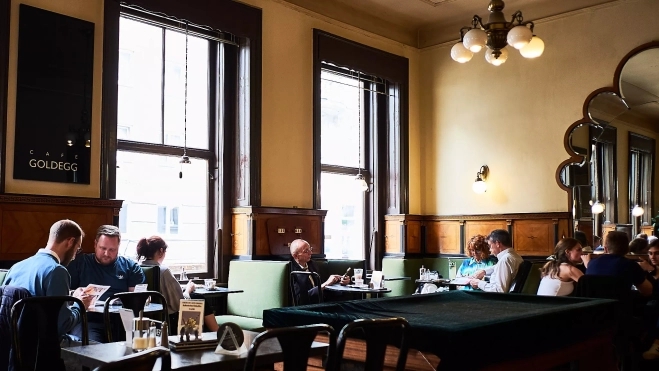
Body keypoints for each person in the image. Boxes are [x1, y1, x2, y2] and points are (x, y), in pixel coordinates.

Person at [2, 220, 93, 336]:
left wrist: (69, 296)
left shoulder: (16, 267)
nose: (74, 256)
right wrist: (79, 304)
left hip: (11, 345)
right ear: (70, 242)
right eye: (77, 249)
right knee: (94, 347)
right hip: (41, 347)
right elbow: (62, 325)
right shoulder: (57, 271)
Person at [66, 225, 145, 342]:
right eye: (102, 248)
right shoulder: (80, 263)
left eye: (112, 250)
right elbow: (66, 294)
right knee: (91, 346)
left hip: (121, 322)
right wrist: (75, 294)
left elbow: (137, 298)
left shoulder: (130, 267)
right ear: (95, 244)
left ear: (118, 247)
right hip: (89, 321)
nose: (107, 253)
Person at [136, 236, 218, 332]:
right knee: (200, 299)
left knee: (196, 297)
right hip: (170, 320)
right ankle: (217, 333)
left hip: (153, 317)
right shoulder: (163, 271)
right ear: (161, 251)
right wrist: (188, 290)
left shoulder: (139, 269)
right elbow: (179, 304)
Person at [585, 231, 653, 296]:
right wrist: (649, 270)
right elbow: (647, 291)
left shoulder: (591, 263)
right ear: (627, 249)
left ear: (605, 249)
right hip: (621, 306)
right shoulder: (630, 265)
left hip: (594, 306)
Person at [289, 239, 349, 304]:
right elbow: (300, 299)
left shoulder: (312, 264)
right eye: (306, 251)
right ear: (295, 256)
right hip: (307, 308)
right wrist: (326, 284)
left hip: (321, 302)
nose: (310, 253)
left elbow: (321, 285)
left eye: (310, 249)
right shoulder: (291, 271)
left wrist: (340, 282)